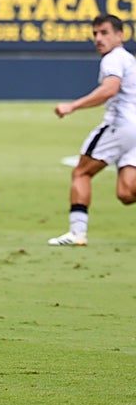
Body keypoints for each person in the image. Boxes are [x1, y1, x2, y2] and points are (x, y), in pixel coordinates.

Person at [47, 14, 136, 246]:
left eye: (104, 33)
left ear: (120, 35)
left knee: (81, 172)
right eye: (95, 34)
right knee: (127, 193)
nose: (98, 38)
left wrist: (72, 106)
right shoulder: (128, 59)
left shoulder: (113, 59)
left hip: (120, 126)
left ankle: (77, 232)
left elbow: (109, 89)